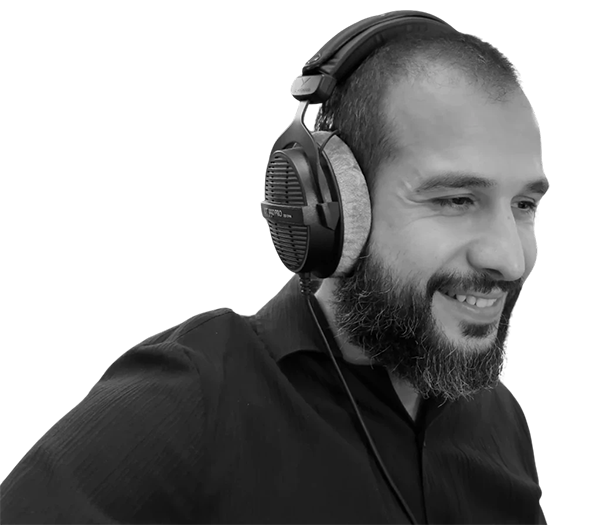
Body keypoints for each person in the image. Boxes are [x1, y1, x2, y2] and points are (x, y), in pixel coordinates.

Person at [0, 13, 548, 525]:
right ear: (334, 206)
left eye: (524, 205)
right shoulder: (191, 399)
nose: (511, 258)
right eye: (456, 200)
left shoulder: (498, 417)